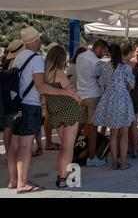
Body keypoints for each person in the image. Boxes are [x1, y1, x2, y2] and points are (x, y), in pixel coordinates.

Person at [7, 27, 79, 194]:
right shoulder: (36, 59)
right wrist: (66, 92)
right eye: (39, 39)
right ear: (36, 41)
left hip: (16, 105)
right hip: (30, 105)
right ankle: (23, 183)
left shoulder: (16, 59)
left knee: (14, 145)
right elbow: (41, 86)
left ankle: (13, 180)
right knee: (26, 145)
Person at [93, 43, 135, 170]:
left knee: (113, 133)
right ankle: (122, 163)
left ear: (109, 53)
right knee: (124, 134)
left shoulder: (103, 67)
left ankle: (113, 163)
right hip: (123, 99)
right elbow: (132, 84)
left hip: (109, 100)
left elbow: (100, 83)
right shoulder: (126, 67)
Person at [44, 45, 81, 188]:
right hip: (69, 111)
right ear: (60, 58)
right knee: (68, 147)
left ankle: (61, 176)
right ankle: (64, 179)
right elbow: (71, 91)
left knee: (63, 147)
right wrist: (78, 98)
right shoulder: (58, 73)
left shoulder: (44, 75)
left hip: (55, 113)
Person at [76, 39, 109, 167]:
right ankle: (91, 157)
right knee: (93, 129)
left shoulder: (80, 56)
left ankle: (69, 151)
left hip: (80, 95)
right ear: (99, 48)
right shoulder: (97, 62)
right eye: (105, 51)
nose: (105, 54)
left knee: (79, 126)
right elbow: (102, 79)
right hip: (93, 96)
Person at [0, 40, 24, 157]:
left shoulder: (7, 62)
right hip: (13, 98)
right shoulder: (16, 62)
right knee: (11, 128)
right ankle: (11, 154)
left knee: (7, 128)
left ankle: (9, 152)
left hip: (6, 98)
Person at [122, 42, 138, 159]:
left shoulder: (116, 65)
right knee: (133, 124)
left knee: (121, 126)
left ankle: (123, 150)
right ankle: (135, 149)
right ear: (131, 52)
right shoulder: (135, 66)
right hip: (133, 97)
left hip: (120, 97)